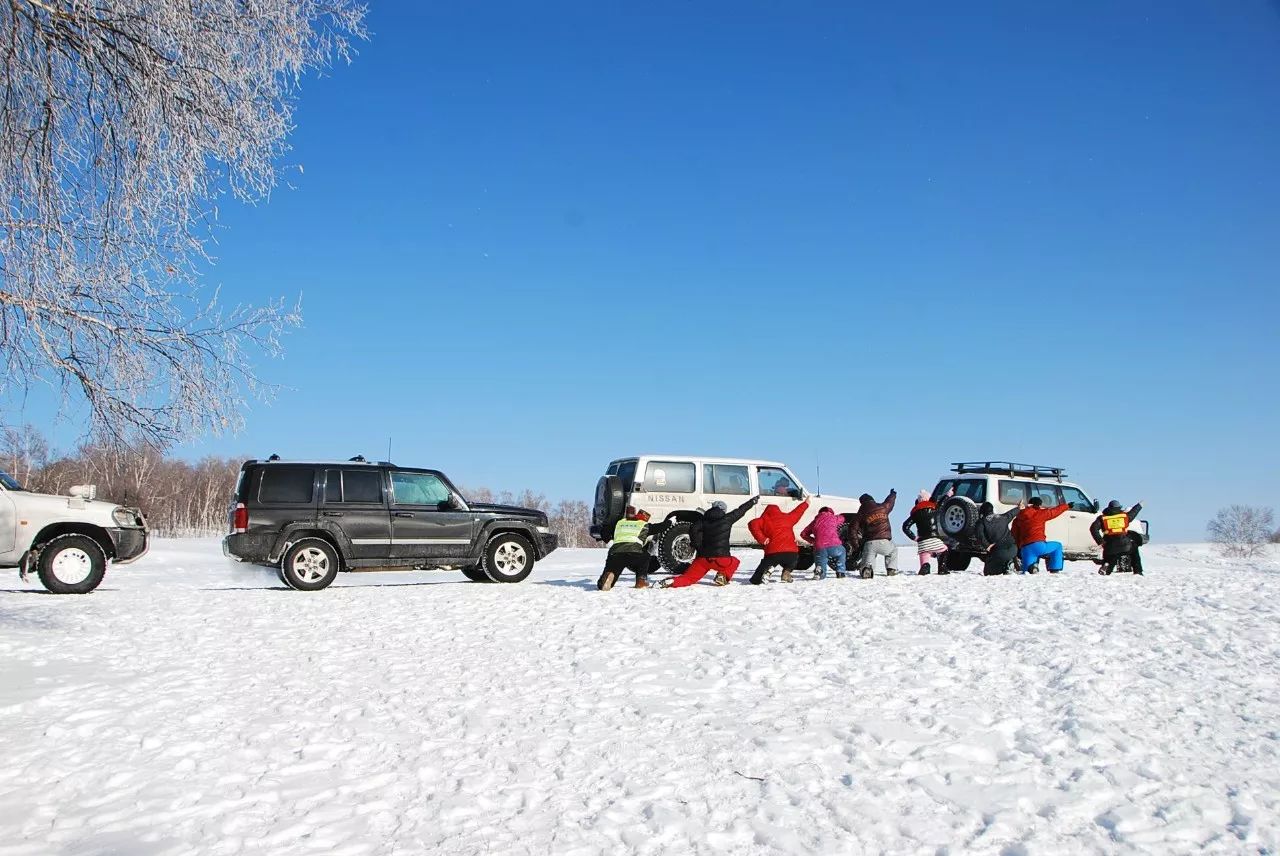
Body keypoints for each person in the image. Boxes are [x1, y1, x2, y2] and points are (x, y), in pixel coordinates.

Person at [660, 496, 760, 588]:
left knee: (689, 578)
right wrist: (752, 502)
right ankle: (722, 576)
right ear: (723, 510)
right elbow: (741, 510)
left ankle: (672, 582)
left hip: (703, 560)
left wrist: (697, 545)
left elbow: (693, 529)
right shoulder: (727, 519)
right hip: (721, 560)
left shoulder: (703, 520)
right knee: (735, 561)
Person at [597, 508, 670, 591]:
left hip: (616, 553)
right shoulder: (643, 525)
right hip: (636, 554)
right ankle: (641, 580)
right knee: (645, 556)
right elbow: (661, 527)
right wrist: (670, 521)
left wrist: (609, 541)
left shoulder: (619, 523)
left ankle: (607, 577)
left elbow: (604, 530)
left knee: (612, 572)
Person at [747, 498, 809, 584]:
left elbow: (752, 524)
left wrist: (762, 539)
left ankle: (767, 570)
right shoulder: (787, 518)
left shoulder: (763, 520)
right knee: (792, 561)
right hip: (791, 553)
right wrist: (806, 503)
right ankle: (787, 572)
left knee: (756, 579)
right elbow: (798, 512)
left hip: (773, 553)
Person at [1013, 496, 1070, 574]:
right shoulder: (1040, 513)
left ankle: (1032, 567)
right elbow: (1054, 511)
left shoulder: (1018, 517)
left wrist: (1018, 548)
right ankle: (1055, 569)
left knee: (1027, 571)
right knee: (1058, 546)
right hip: (1039, 546)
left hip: (1025, 548)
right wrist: (1067, 506)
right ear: (1039, 505)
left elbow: (1015, 534)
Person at [902, 490, 952, 575]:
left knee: (924, 553)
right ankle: (942, 567)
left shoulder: (915, 513)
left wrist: (914, 537)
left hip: (922, 542)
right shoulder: (934, 507)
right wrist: (948, 494)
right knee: (944, 549)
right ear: (928, 499)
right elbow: (942, 502)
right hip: (934, 540)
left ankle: (925, 566)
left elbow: (905, 526)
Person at [851, 489, 898, 578]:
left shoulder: (860, 514)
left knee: (868, 560)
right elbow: (890, 502)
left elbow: (852, 530)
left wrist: (856, 546)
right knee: (893, 551)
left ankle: (867, 568)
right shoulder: (883, 507)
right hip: (884, 542)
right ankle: (891, 569)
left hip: (869, 544)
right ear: (872, 500)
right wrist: (893, 494)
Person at [1090, 500, 1145, 575]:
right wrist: (1139, 505)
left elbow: (1093, 528)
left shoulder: (1102, 518)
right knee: (1134, 550)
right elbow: (1133, 513)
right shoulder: (1124, 516)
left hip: (1110, 545)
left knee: (1110, 558)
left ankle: (1106, 567)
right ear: (1119, 507)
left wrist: (1100, 541)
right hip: (1125, 545)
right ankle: (1138, 571)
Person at [976, 500, 1023, 576]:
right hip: (1013, 549)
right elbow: (1011, 513)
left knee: (988, 572)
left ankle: (1006, 567)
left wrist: (987, 545)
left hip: (999, 551)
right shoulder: (1003, 517)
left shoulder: (981, 522)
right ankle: (1012, 563)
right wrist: (1019, 508)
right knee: (1006, 555)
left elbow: (979, 535)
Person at [801, 506, 847, 580]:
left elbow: (803, 534)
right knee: (842, 551)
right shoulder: (833, 518)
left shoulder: (814, 521)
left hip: (819, 547)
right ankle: (840, 571)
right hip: (834, 546)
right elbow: (842, 518)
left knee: (821, 563)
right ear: (831, 512)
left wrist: (813, 541)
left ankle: (820, 570)